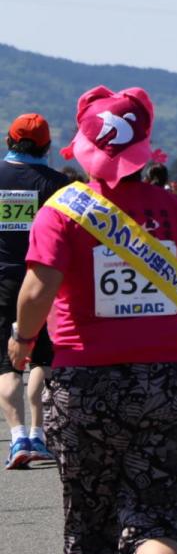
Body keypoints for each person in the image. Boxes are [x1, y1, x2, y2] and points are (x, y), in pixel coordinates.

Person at [12, 85, 177, 554]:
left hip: (84, 383)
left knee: (91, 527)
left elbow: (39, 287)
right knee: (157, 516)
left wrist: (20, 340)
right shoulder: (175, 211)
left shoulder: (64, 211)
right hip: (168, 380)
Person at [0, 113, 69, 469]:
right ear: (46, 146)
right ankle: (39, 436)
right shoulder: (59, 184)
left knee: (5, 365)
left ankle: (16, 439)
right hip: (43, 280)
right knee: (43, 358)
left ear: (10, 141)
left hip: (1, 280)